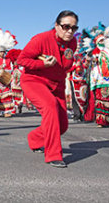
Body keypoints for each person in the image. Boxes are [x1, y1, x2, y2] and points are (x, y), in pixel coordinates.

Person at [17, 10, 78, 168]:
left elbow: (67, 64)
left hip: (57, 84)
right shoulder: (41, 39)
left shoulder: (73, 43)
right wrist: (42, 64)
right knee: (50, 106)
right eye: (66, 27)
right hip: (34, 80)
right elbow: (21, 60)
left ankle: (35, 139)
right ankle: (53, 154)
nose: (70, 31)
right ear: (56, 25)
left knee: (62, 125)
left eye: (73, 28)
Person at [81, 24, 109, 127]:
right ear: (96, 42)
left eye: (103, 40)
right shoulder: (92, 52)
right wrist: (90, 60)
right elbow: (86, 64)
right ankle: (100, 120)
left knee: (107, 99)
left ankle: (107, 120)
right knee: (99, 100)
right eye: (100, 41)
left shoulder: (108, 51)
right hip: (97, 79)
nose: (102, 42)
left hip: (108, 79)